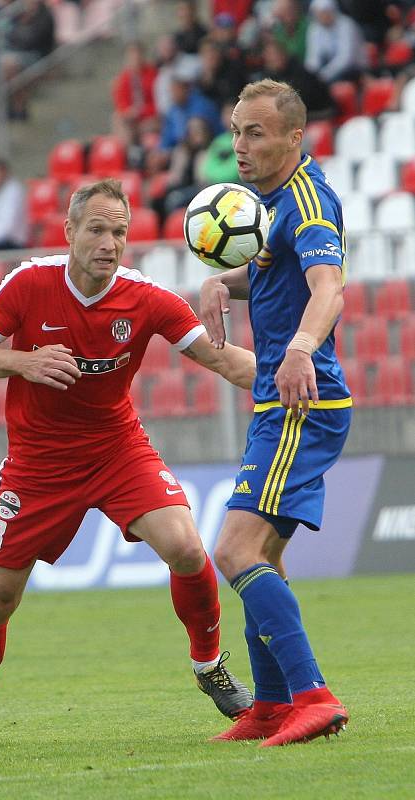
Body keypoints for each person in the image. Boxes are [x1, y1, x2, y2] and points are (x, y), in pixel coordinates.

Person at [0, 178, 256, 747]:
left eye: (121, 232)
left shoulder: (146, 297)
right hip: (38, 464)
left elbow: (224, 361)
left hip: (116, 449)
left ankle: (208, 665)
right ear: (70, 231)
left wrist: (295, 365)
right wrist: (22, 361)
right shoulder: (28, 282)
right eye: (98, 229)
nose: (110, 243)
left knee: (185, 546)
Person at [199, 79, 352, 746]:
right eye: (235, 130)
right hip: (280, 401)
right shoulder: (266, 204)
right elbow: (268, 266)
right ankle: (267, 705)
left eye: (255, 132)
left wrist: (297, 347)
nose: (239, 145)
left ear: (295, 137)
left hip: (300, 400)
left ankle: (313, 696)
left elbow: (330, 286)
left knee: (233, 549)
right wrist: (218, 280)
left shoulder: (311, 203)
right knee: (262, 556)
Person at [304, 0, 368, 84]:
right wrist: (309, 75)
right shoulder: (314, 28)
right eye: (319, 13)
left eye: (325, 12)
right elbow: (313, 58)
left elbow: (345, 59)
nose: (323, 16)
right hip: (327, 69)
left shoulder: (347, 25)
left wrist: (323, 75)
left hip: (353, 69)